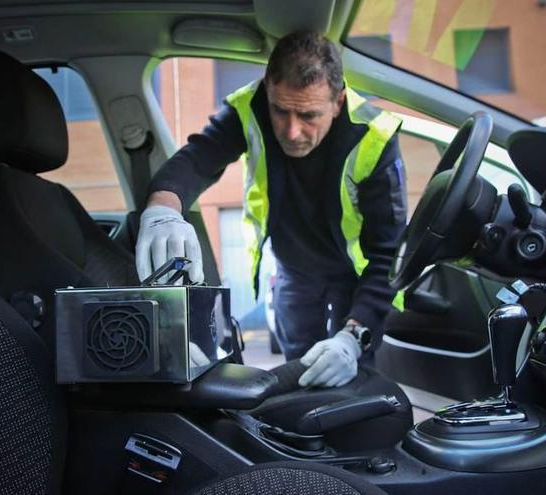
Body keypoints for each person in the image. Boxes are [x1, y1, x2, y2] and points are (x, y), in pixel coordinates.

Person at [136, 31, 407, 388]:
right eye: (281, 110)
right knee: (300, 376)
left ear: (338, 102)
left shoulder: (374, 136)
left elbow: (387, 253)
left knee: (355, 376)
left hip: (354, 277)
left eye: (309, 115)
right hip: (293, 271)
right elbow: (198, 159)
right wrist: (163, 209)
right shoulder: (250, 108)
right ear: (267, 90)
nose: (292, 131)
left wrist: (353, 338)